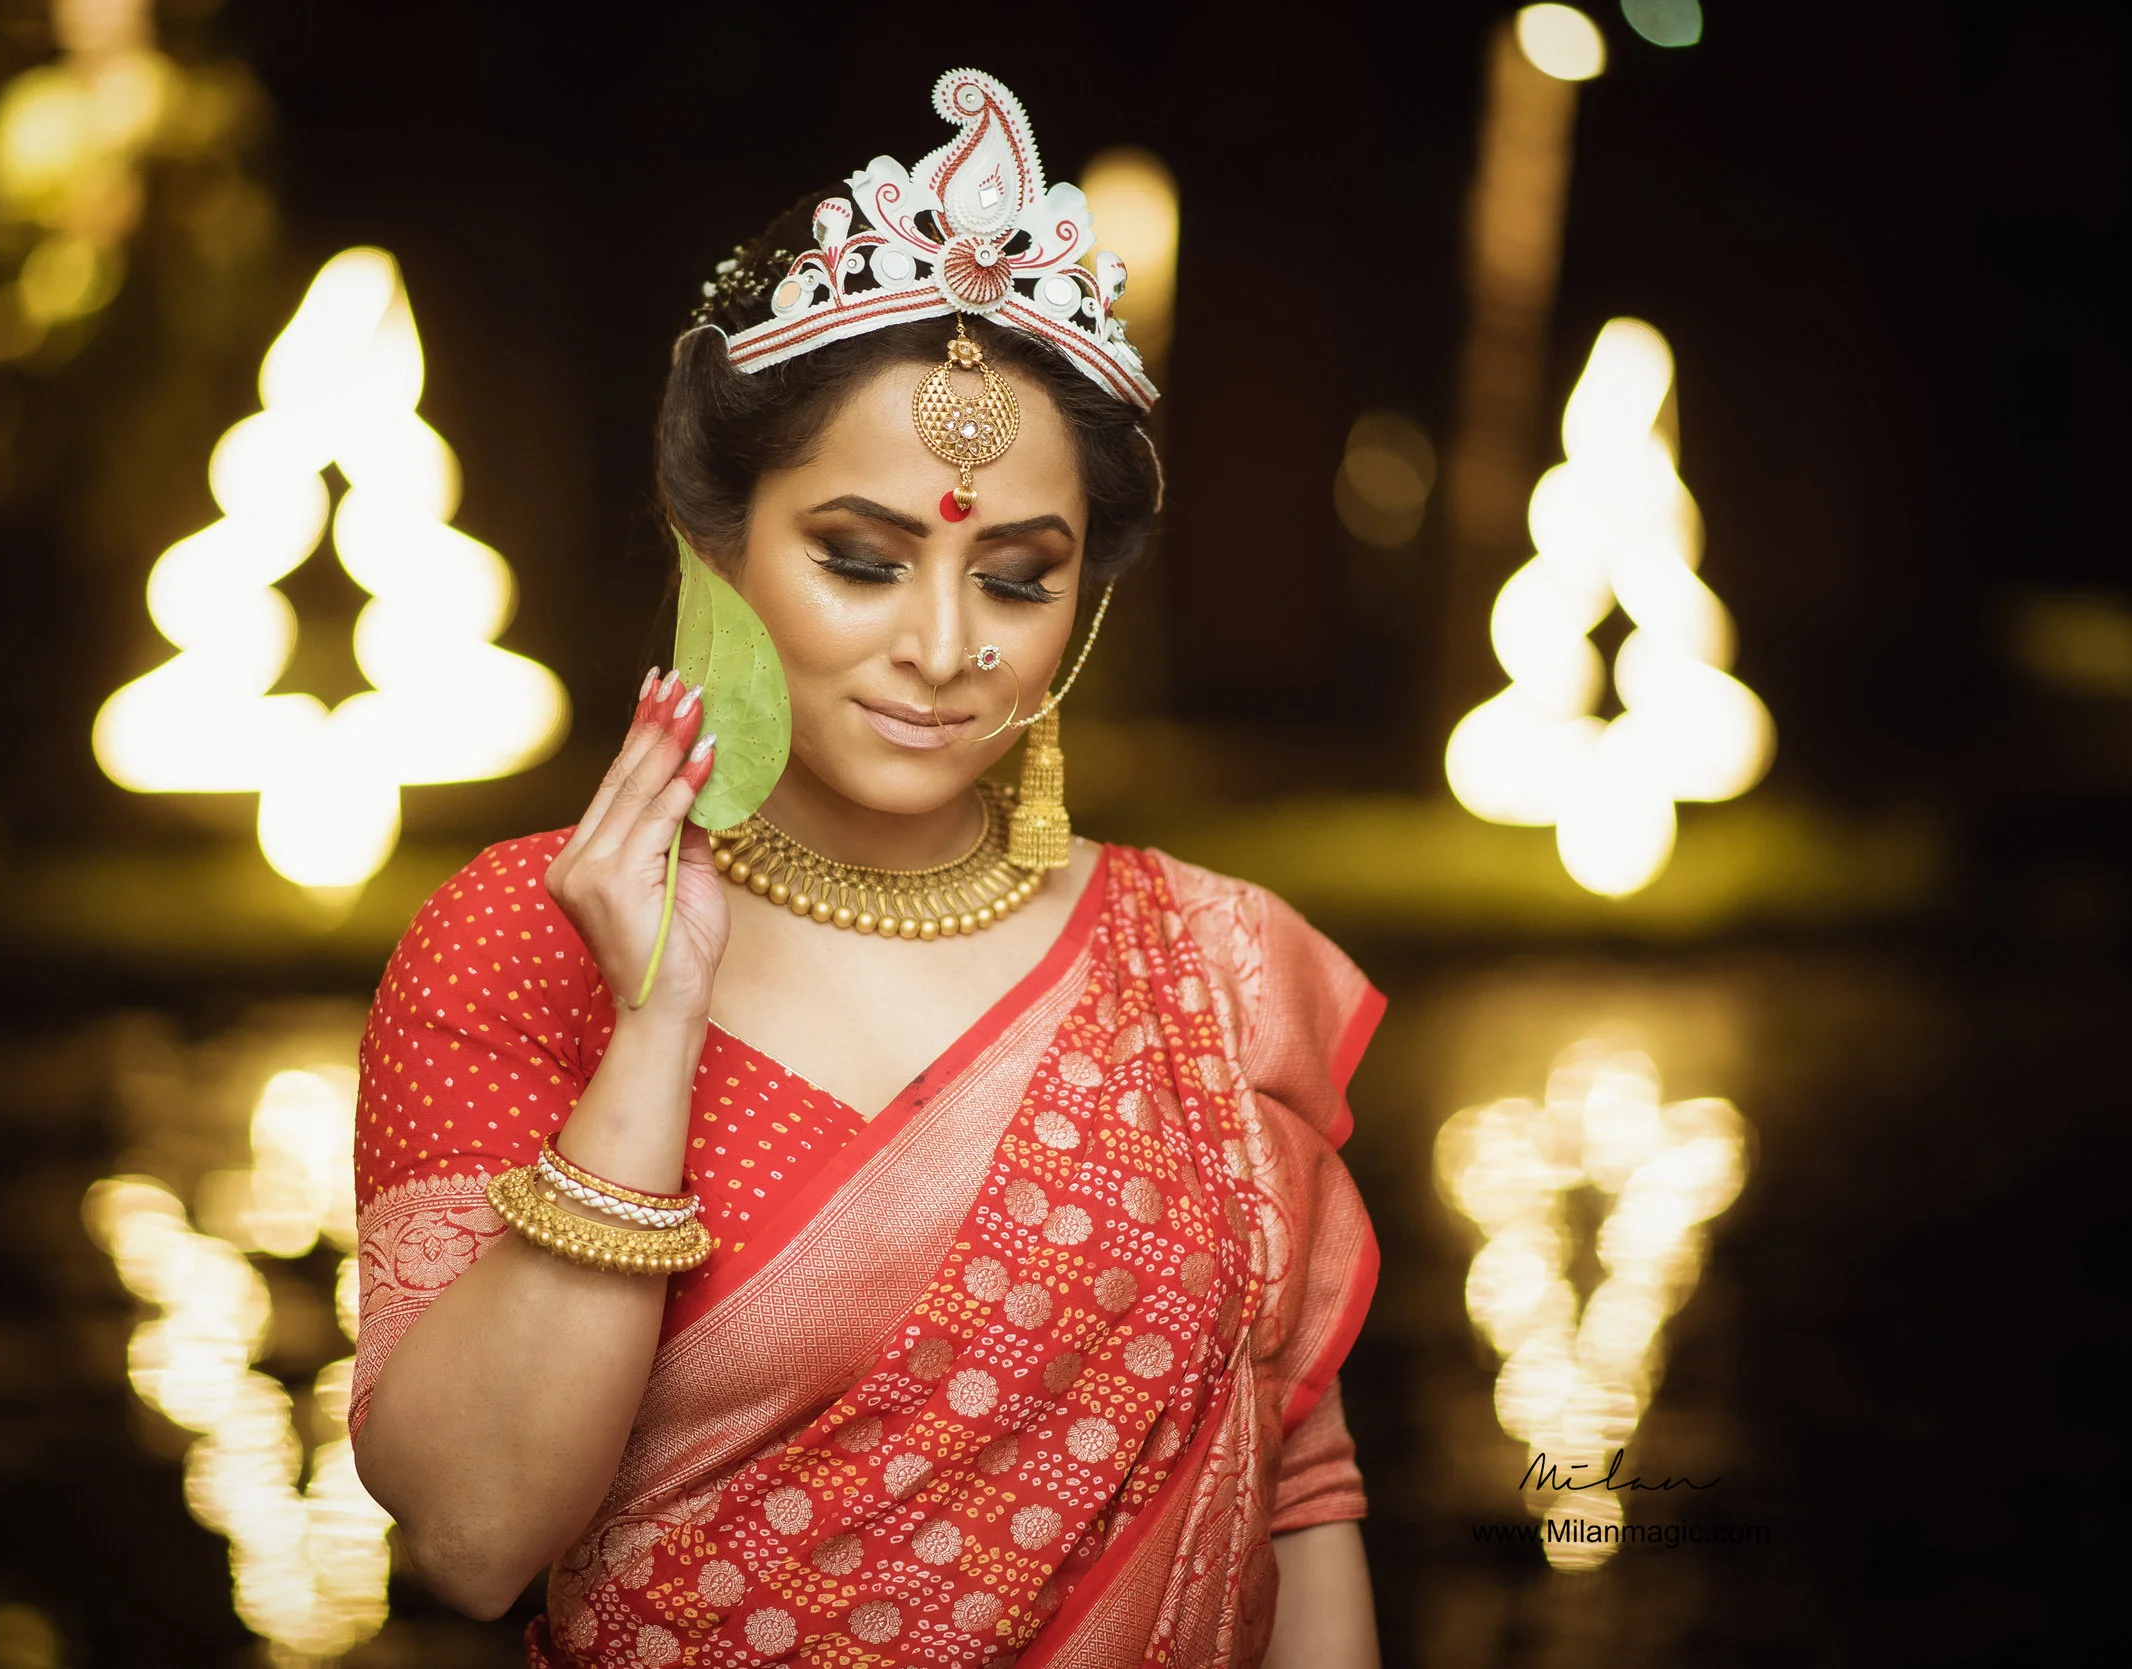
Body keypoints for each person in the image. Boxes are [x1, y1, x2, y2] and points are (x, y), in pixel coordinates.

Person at [348, 68, 1384, 1669]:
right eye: (860, 559)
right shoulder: (524, 934)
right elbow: (473, 1541)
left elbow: (1294, 1488)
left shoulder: (1218, 967)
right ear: (717, 540)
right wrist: (656, 1024)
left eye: (1017, 578)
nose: (945, 646)